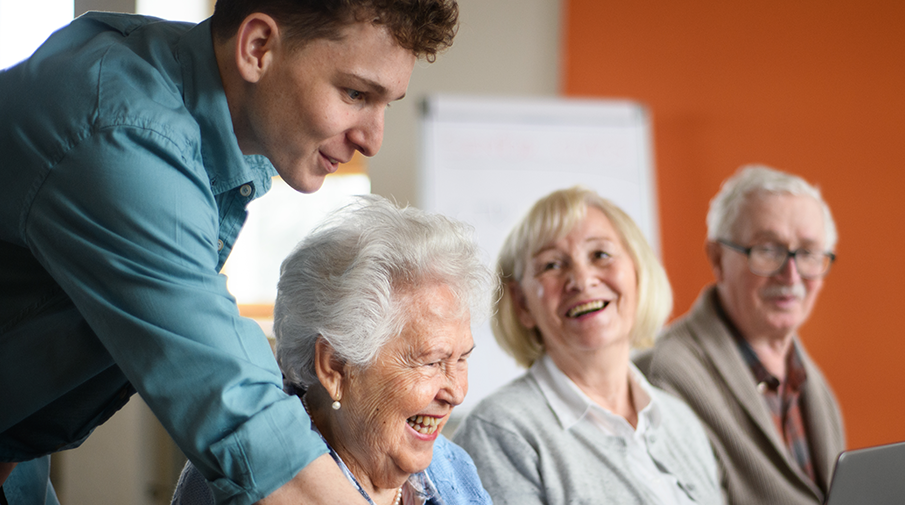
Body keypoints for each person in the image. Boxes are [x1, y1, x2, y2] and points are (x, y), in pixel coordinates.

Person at [0, 1, 457, 504]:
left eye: (386, 102)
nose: (373, 139)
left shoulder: (219, 116)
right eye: (354, 93)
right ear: (258, 47)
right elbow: (240, 413)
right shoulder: (124, 131)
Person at [635, 164, 905, 505]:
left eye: (808, 253)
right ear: (718, 258)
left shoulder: (807, 379)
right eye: (767, 250)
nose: (791, 276)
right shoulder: (663, 376)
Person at [173, 195, 492, 505]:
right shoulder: (246, 476)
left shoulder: (454, 468)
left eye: (462, 358)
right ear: (336, 366)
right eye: (433, 362)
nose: (457, 392)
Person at [453, 187, 722, 504]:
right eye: (552, 265)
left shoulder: (681, 421)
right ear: (522, 303)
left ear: (638, 273)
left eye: (600, 255)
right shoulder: (500, 432)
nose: (581, 280)